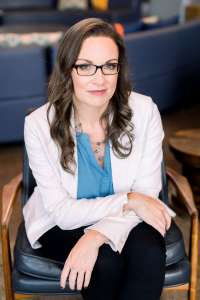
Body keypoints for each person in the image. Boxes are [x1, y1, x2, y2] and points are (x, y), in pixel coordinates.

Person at [23, 18, 175, 300]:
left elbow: (147, 194)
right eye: (85, 66)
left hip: (130, 215)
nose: (100, 78)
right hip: (63, 221)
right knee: (105, 263)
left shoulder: (144, 111)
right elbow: (61, 211)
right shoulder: (38, 125)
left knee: (149, 253)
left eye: (109, 65)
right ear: (68, 70)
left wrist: (96, 236)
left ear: (119, 68)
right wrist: (128, 199)